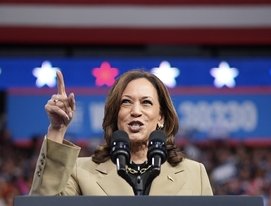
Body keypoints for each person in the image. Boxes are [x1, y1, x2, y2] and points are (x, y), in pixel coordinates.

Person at [30, 70, 213, 196]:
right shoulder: (81, 172)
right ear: (115, 114)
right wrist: (57, 129)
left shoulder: (194, 173)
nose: (136, 111)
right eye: (126, 102)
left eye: (146, 102)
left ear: (161, 118)